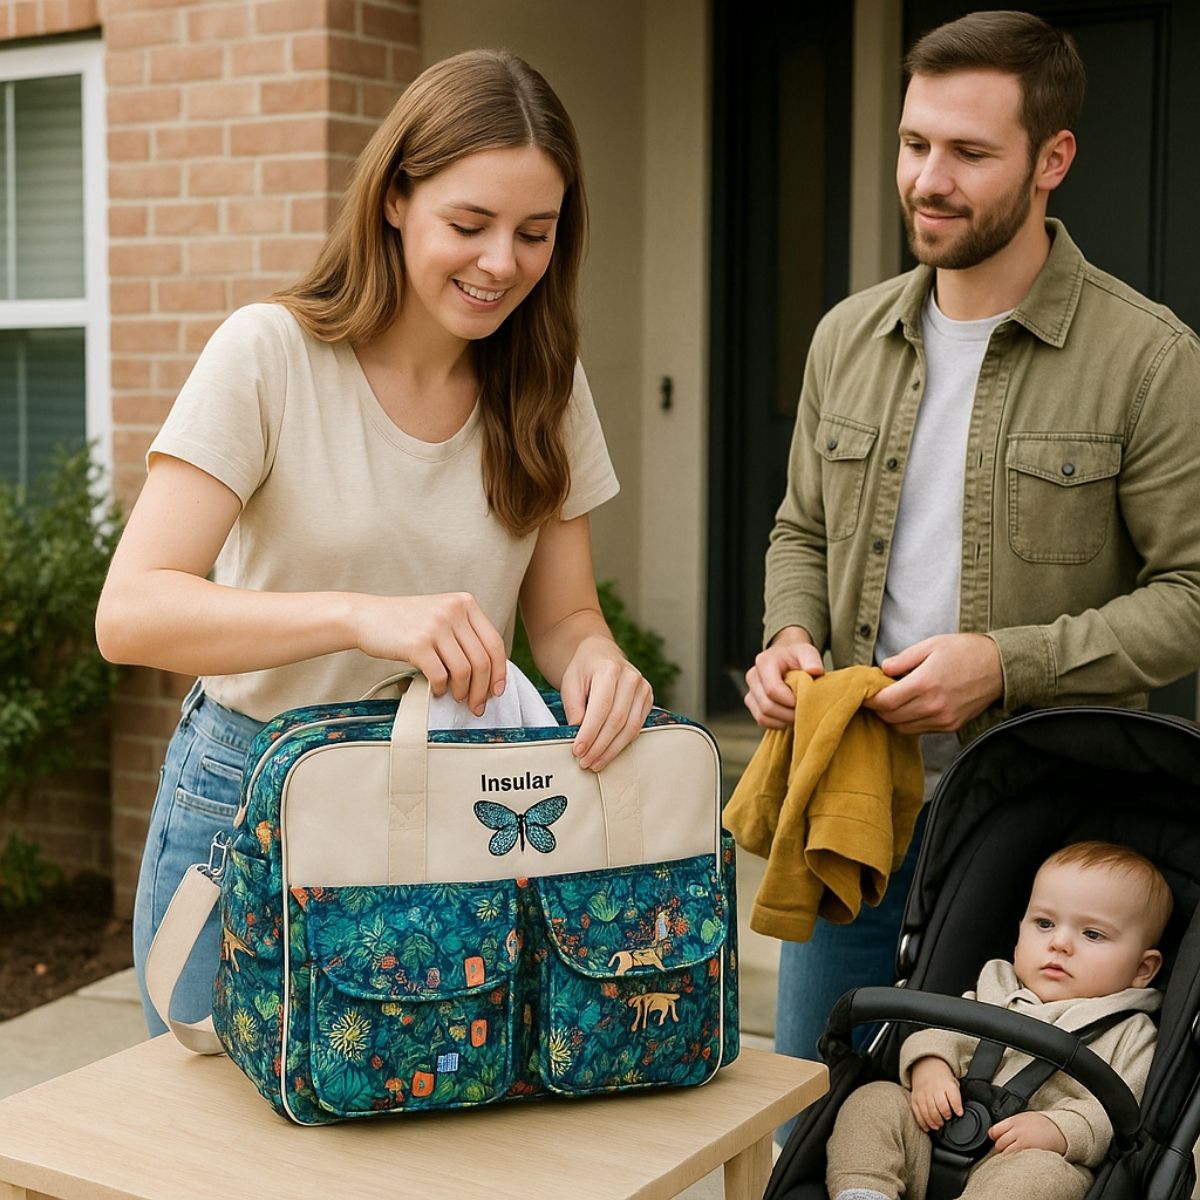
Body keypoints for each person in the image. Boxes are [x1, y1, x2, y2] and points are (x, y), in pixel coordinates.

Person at [95, 50, 653, 1034]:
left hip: (448, 800)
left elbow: (564, 614)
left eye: (535, 233)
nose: (501, 263)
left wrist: (600, 663)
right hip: (252, 793)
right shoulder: (268, 356)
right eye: (469, 224)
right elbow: (131, 611)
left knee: (414, 1109)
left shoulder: (547, 387)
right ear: (396, 199)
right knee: (210, 1147)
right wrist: (361, 617)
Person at [742, 9, 1200, 1079]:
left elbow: (1190, 593)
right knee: (822, 1104)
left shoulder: (1149, 358)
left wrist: (1004, 662)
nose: (928, 179)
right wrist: (789, 635)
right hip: (850, 812)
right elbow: (799, 526)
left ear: (1054, 159)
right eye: (914, 145)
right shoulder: (844, 338)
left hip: (1049, 853)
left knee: (1012, 1138)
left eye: (969, 153)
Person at [825, 840, 1172, 1200]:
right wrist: (931, 1067)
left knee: (1044, 1177)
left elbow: (1118, 1117)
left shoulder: (1131, 1031)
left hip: (1024, 1159)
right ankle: (865, 1192)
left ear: (1143, 969)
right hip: (932, 1136)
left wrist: (1058, 1130)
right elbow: (943, 1034)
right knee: (875, 1100)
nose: (1060, 943)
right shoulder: (995, 985)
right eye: (1045, 923)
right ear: (1019, 933)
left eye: (1092, 934)